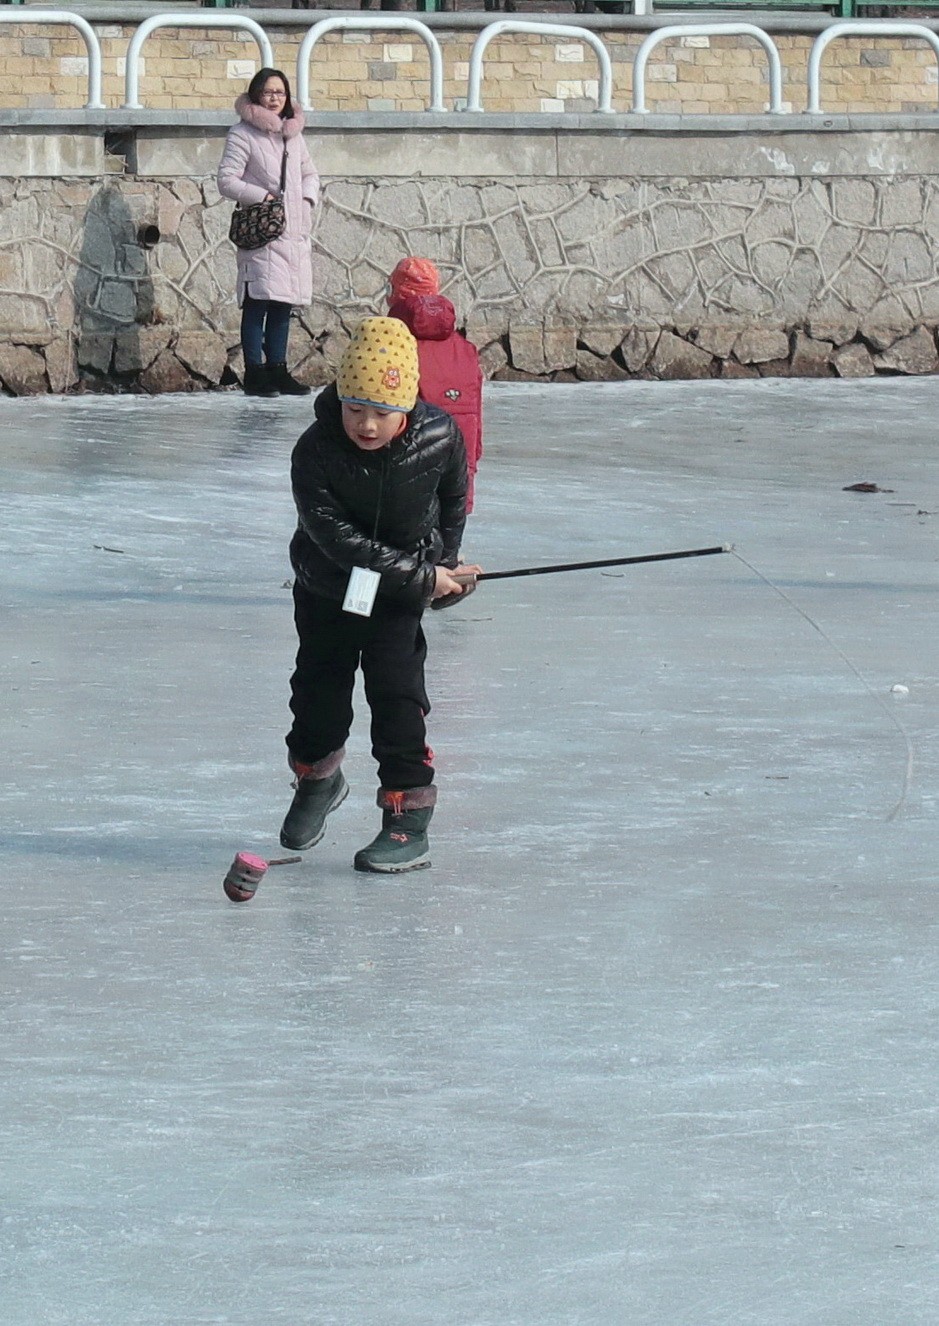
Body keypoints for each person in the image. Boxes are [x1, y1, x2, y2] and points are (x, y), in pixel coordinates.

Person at [280, 316, 481, 873]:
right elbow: (335, 539)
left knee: (398, 699)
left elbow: (452, 500)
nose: (366, 424)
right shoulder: (316, 450)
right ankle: (318, 779)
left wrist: (445, 569)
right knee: (317, 695)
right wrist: (422, 577)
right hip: (330, 588)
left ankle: (405, 817)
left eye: (381, 412)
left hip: (394, 599)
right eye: (355, 408)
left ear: (408, 407)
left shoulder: (440, 437)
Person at [217, 67, 319, 398]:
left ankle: (278, 369)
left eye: (280, 93)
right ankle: (255, 372)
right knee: (257, 301)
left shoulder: (294, 135)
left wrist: (304, 200)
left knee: (282, 303)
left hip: (292, 229)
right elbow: (227, 180)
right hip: (262, 228)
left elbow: (310, 173)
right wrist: (264, 197)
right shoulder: (242, 134)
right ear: (256, 95)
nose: (275, 99)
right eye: (268, 92)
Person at [388, 284, 483, 514]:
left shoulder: (395, 346)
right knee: (450, 530)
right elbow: (476, 409)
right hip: (461, 456)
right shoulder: (465, 348)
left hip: (410, 466)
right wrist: (475, 454)